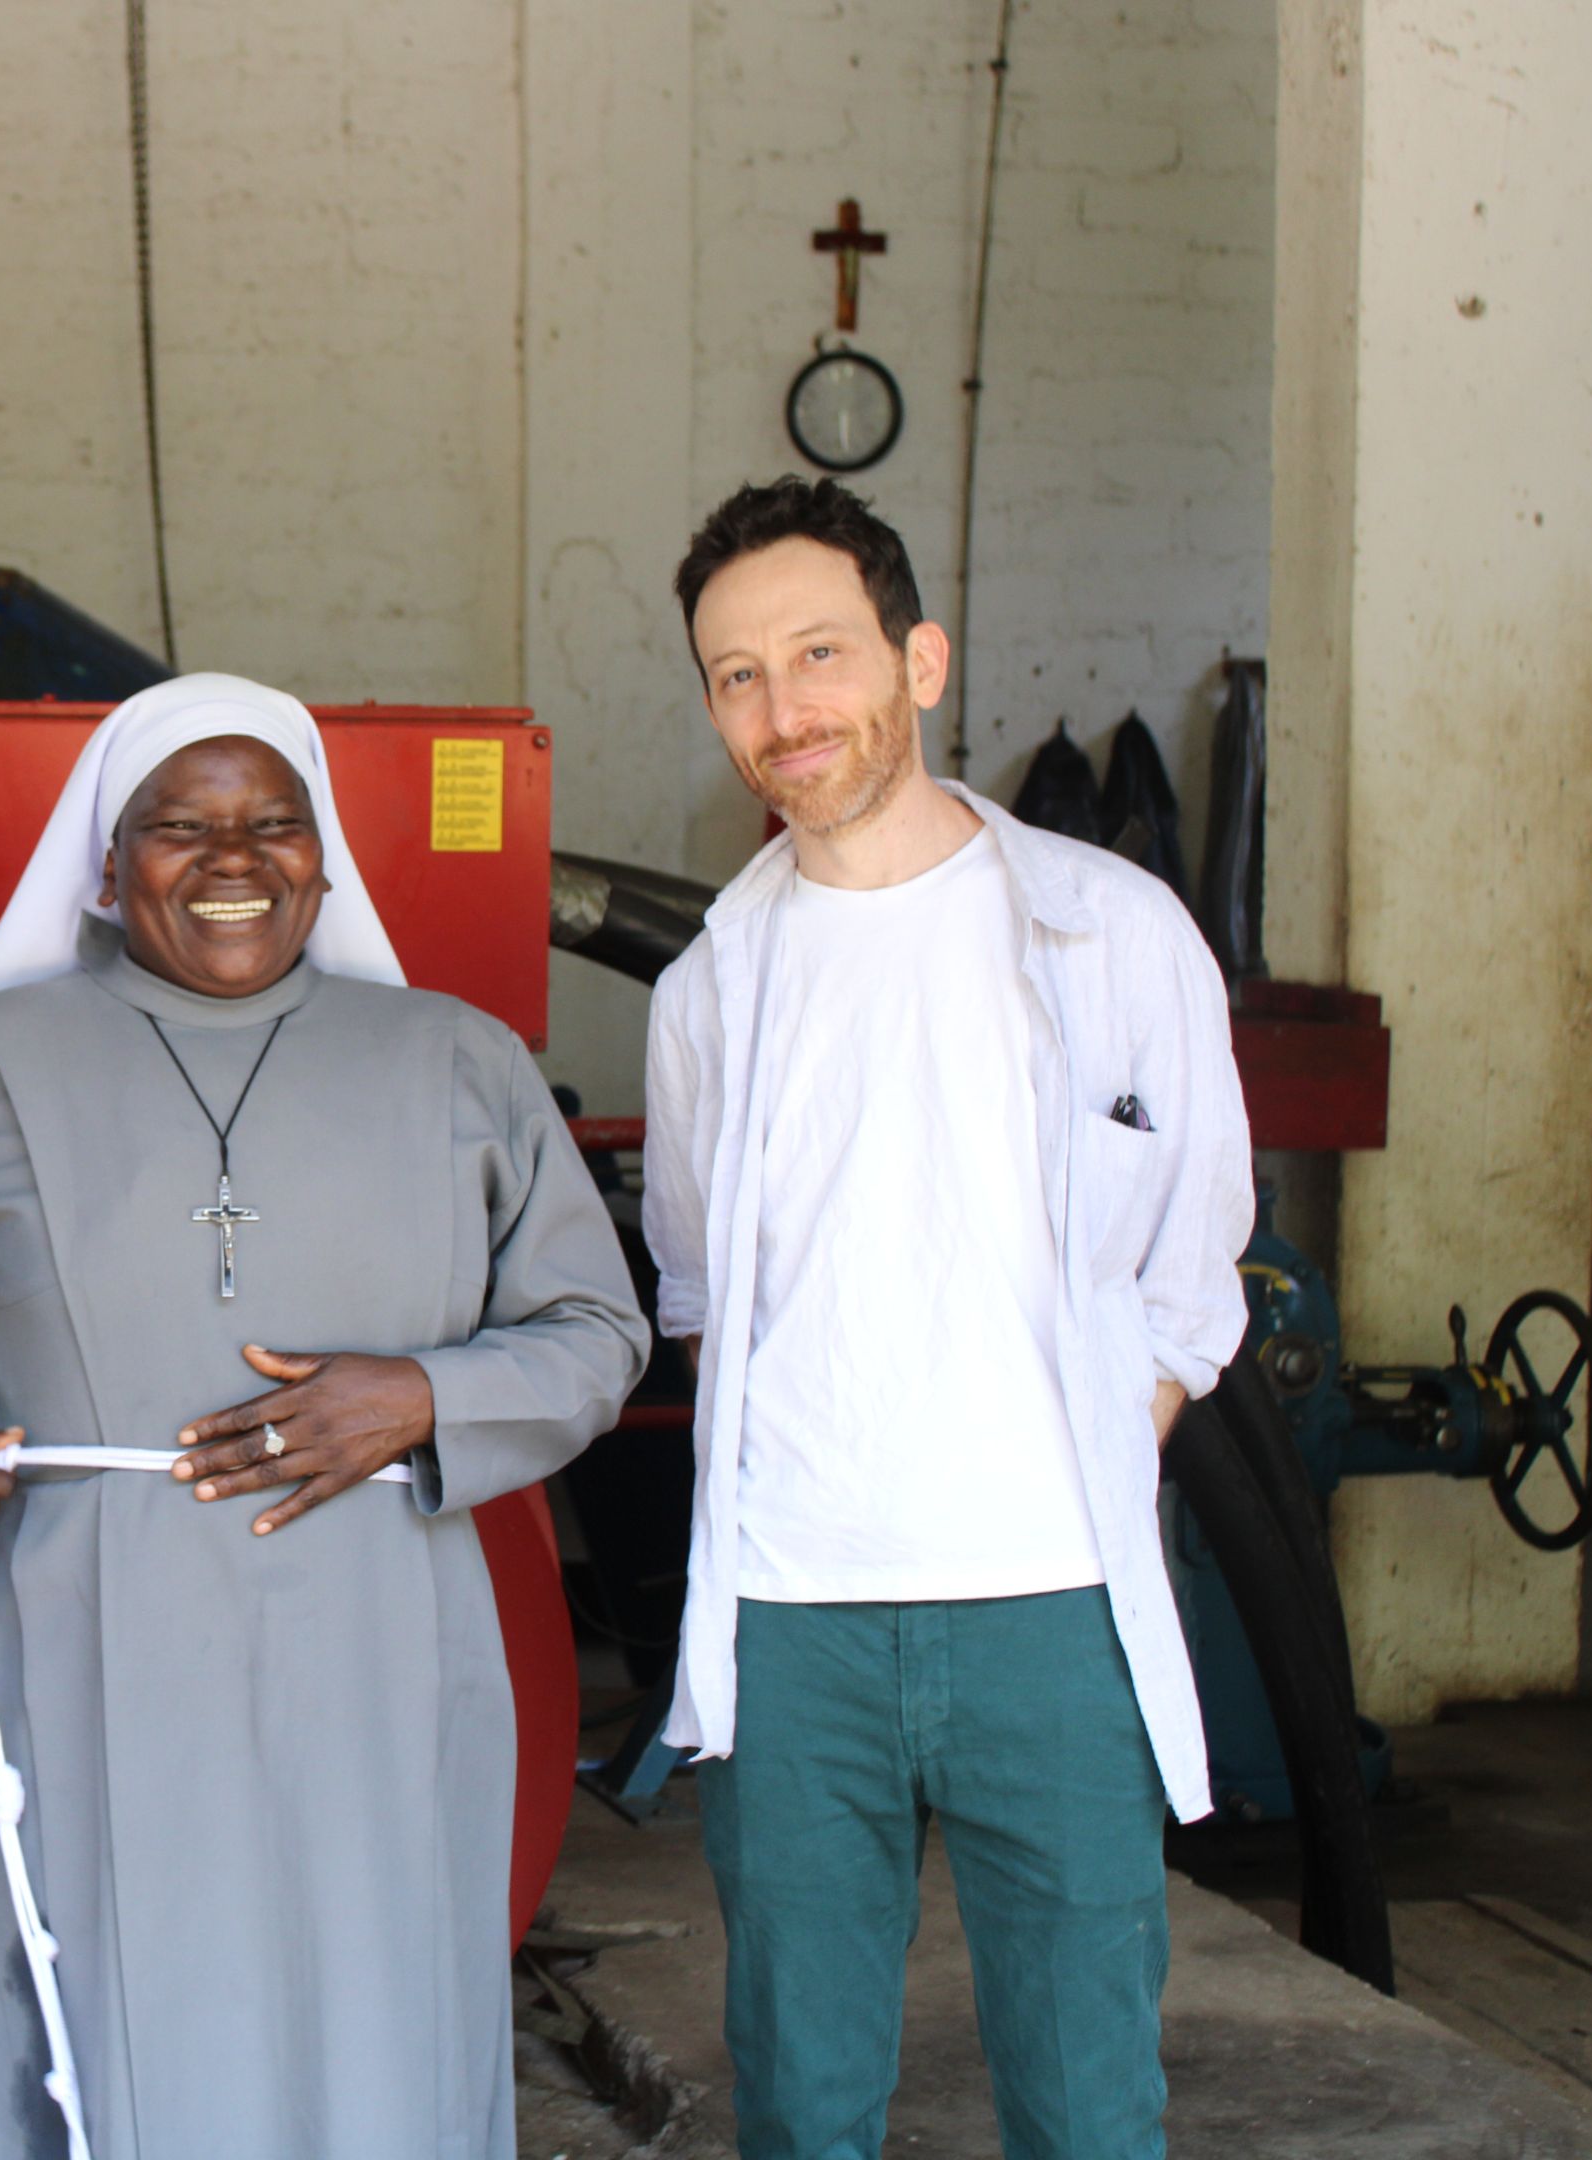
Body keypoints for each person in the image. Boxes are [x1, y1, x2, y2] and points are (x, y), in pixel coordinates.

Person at [0, 673, 648, 2160]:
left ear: (324, 856)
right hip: (96, 1639)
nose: (234, 861)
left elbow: (595, 1332)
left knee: (383, 2013)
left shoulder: (460, 1062)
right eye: (182, 827)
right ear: (106, 869)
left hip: (384, 1637)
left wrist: (425, 1394)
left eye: (274, 826)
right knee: (121, 2024)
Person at [641, 477, 1252, 2160]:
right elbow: (702, 1289)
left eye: (821, 652)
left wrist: (1085, 1463)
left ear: (919, 660)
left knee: (1084, 2097)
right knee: (805, 2092)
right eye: (737, 675)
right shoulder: (711, 990)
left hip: (1050, 1609)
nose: (784, 709)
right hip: (796, 1620)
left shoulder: (1112, 934)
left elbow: (1197, 1270)